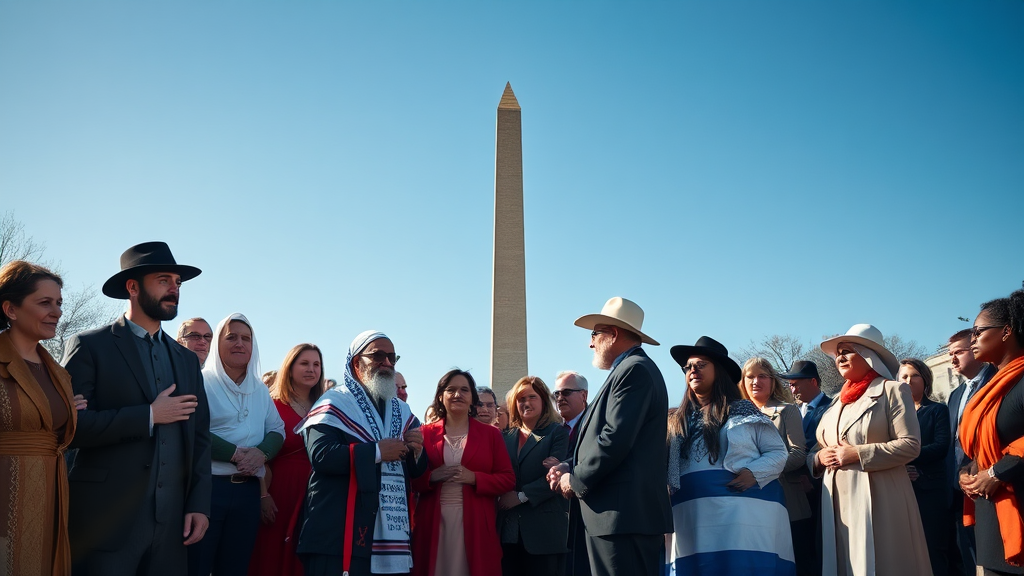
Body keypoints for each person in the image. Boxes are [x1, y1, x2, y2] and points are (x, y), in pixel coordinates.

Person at [63, 241, 211, 575]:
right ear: (132, 287)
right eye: (164, 280)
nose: (174, 289)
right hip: (104, 521)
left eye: (178, 283)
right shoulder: (89, 346)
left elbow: (200, 437)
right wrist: (148, 416)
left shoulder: (187, 360)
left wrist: (200, 505)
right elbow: (71, 428)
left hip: (173, 526)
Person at [548, 297, 671, 576]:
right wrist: (569, 464)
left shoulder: (634, 370)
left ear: (613, 334)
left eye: (594, 335)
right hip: (615, 517)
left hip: (622, 518)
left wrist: (576, 478)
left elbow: (615, 438)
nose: (590, 343)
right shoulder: (628, 370)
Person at [297, 331, 426, 576]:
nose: (387, 363)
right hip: (338, 530)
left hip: (391, 531)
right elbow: (321, 455)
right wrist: (377, 451)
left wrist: (417, 452)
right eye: (378, 356)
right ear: (357, 363)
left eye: (391, 357)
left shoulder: (403, 411)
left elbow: (416, 469)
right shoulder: (334, 402)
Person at [810, 324, 931, 575]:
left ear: (868, 356)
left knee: (883, 563)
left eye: (847, 351)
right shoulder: (835, 403)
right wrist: (818, 458)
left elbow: (910, 445)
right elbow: (817, 447)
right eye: (838, 353)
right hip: (836, 504)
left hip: (881, 499)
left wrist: (858, 453)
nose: (840, 357)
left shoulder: (893, 391)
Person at [667, 338, 793, 574]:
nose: (692, 370)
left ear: (720, 371)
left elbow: (777, 452)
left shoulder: (743, 410)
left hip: (740, 512)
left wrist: (754, 473)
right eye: (688, 367)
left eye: (701, 364)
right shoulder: (675, 419)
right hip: (689, 512)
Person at [0, 261, 82, 575]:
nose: (57, 312)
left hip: (52, 496)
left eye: (59, 303)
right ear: (11, 309)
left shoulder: (59, 373)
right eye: (45, 303)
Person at [191, 313, 285, 576]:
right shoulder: (200, 381)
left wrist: (261, 453)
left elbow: (277, 429)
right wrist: (234, 454)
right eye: (231, 337)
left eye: (246, 338)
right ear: (218, 343)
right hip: (208, 490)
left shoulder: (260, 389)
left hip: (247, 494)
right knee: (196, 565)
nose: (239, 344)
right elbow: (192, 430)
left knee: (235, 567)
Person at [411, 369, 515, 576]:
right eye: (451, 389)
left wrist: (475, 478)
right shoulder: (423, 433)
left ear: (472, 399)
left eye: (464, 390)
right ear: (441, 396)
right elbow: (411, 480)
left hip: (476, 522)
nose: (457, 394)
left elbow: (508, 479)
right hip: (432, 522)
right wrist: (432, 477)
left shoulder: (491, 435)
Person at [958, 289, 1024, 574]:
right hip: (990, 516)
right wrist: (967, 473)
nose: (972, 339)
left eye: (978, 331)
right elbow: (979, 446)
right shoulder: (989, 390)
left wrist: (996, 473)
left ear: (1006, 331)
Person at [249, 343, 325, 576]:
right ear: (290, 368)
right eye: (304, 363)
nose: (311, 369)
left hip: (316, 495)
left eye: (316, 364)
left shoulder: (326, 407)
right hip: (278, 491)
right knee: (271, 557)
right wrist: (263, 495)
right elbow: (256, 454)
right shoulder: (272, 405)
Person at [739, 357, 810, 572]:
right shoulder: (732, 415)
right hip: (747, 503)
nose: (755, 381)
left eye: (762, 376)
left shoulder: (787, 410)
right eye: (750, 377)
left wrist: (761, 472)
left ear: (772, 381)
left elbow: (798, 453)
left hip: (787, 501)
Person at [497, 376, 569, 576]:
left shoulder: (557, 433)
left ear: (543, 400)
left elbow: (554, 477)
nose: (526, 403)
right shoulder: (504, 437)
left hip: (544, 532)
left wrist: (520, 497)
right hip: (508, 532)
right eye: (520, 399)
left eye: (532, 397)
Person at [948, 328, 996, 573]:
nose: (953, 359)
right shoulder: (956, 395)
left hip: (991, 480)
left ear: (976, 348)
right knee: (969, 556)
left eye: (959, 352)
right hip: (959, 486)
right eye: (950, 354)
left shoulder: (997, 380)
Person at [898, 357, 951, 576]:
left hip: (930, 489)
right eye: (904, 377)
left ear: (925, 379)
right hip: (900, 489)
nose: (909, 381)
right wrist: (900, 468)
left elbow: (940, 446)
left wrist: (907, 459)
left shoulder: (937, 410)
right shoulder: (895, 414)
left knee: (935, 548)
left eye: (914, 375)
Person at [780, 359, 830, 576]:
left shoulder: (832, 408)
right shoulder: (789, 411)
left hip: (819, 489)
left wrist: (810, 478)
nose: (793, 388)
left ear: (813, 381)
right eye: (790, 384)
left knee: (816, 549)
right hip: (792, 491)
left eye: (797, 383)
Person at [553, 370, 590, 576]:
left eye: (566, 392)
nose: (560, 398)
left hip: (587, 516)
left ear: (583, 395)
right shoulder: (553, 430)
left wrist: (564, 465)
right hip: (558, 526)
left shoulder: (597, 423)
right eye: (556, 394)